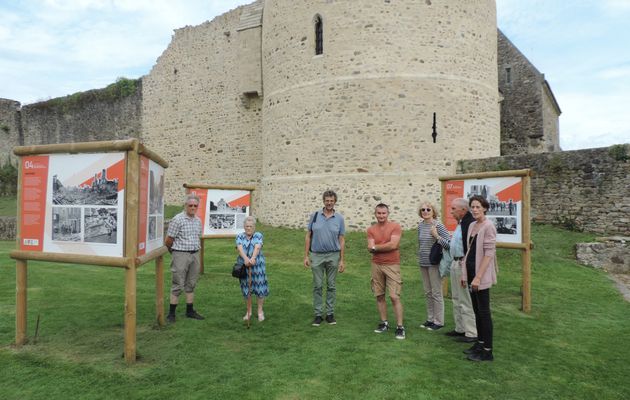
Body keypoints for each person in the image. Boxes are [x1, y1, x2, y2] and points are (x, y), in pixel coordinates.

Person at [461, 195, 498, 361]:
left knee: (484, 312)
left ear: (484, 208)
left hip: (480, 275)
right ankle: (480, 343)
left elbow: (489, 254)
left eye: (478, 207)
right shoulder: (472, 225)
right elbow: (469, 251)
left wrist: (478, 277)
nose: (475, 210)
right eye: (472, 207)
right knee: (476, 310)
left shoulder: (488, 226)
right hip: (470, 272)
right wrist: (465, 274)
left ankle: (488, 350)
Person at [304, 190, 346, 326]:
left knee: (331, 286)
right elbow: (308, 236)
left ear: (335, 202)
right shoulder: (315, 216)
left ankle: (329, 314)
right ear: (323, 201)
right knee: (318, 285)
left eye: (331, 201)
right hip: (316, 255)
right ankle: (317, 314)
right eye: (327, 200)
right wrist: (306, 255)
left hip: (333, 255)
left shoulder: (339, 218)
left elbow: (342, 239)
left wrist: (341, 259)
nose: (329, 203)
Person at [367, 203, 405, 340]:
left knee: (394, 296)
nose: (381, 215)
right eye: (379, 213)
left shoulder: (395, 227)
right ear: (375, 214)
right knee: (379, 295)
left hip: (392, 265)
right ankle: (384, 323)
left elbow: (393, 245)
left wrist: (375, 247)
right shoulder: (371, 229)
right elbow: (369, 248)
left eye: (384, 213)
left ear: (388, 214)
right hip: (376, 265)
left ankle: (400, 327)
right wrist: (383, 246)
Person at [165, 194, 204, 323]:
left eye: (195, 206)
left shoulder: (198, 221)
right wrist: (175, 253)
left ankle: (190, 311)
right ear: (185, 205)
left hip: (195, 254)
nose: (193, 207)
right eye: (190, 205)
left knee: (191, 283)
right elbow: (169, 240)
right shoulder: (177, 220)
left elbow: (197, 237)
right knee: (177, 283)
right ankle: (171, 314)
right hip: (180, 254)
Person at [445, 198, 477, 342]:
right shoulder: (461, 223)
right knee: (456, 298)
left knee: (465, 299)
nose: (451, 212)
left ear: (463, 210)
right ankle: (460, 328)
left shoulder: (469, 224)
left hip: (463, 264)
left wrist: (466, 266)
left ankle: (471, 332)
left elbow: (471, 248)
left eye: (453, 209)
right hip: (455, 263)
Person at [416, 201, 450, 331]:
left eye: (428, 209)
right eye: (423, 210)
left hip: (434, 263)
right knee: (428, 292)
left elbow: (448, 244)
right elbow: (421, 244)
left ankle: (439, 321)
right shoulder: (420, 226)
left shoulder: (438, 225)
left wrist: (436, 236)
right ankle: (430, 319)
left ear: (433, 211)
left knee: (436, 292)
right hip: (423, 262)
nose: (425, 212)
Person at [236, 216, 269, 321]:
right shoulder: (240, 236)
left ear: (254, 227)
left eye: (250, 226)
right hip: (244, 267)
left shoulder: (258, 235)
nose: (248, 228)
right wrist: (246, 259)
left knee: (260, 288)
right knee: (247, 289)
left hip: (258, 266)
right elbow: (240, 248)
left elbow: (257, 246)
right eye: (246, 226)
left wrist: (253, 258)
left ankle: (260, 311)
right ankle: (249, 311)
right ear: (244, 227)